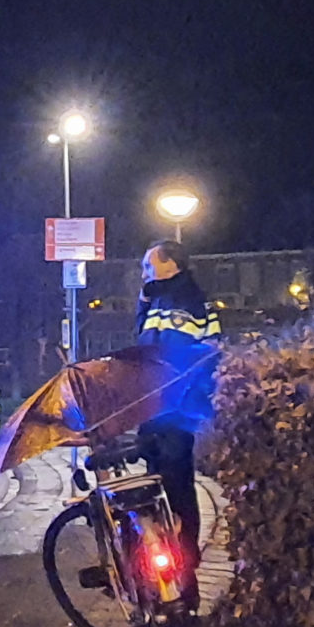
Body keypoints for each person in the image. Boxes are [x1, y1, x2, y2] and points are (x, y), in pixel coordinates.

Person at [132, 240, 221, 563]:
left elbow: (174, 356)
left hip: (173, 412)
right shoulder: (162, 297)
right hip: (161, 411)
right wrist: (143, 301)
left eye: (148, 264)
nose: (143, 271)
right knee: (161, 489)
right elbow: (144, 340)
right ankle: (172, 565)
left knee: (174, 490)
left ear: (171, 265)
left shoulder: (182, 301)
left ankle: (182, 568)